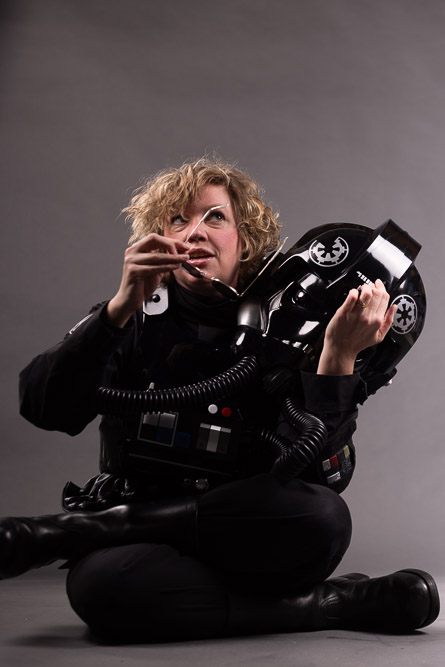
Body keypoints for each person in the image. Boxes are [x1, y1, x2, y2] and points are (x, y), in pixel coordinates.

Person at [1, 157, 439, 641]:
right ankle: (330, 604)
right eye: (177, 219)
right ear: (158, 238)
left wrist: (336, 359)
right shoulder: (133, 317)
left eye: (215, 217)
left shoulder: (291, 331)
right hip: (146, 543)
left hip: (242, 536)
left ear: (244, 239)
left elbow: (321, 479)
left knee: (323, 519)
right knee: (101, 589)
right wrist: (118, 310)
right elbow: (43, 408)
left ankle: (75, 532)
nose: (195, 232)